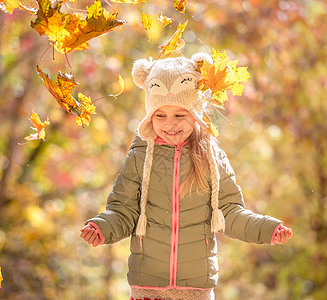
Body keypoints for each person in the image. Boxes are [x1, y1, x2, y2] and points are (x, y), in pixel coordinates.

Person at [80, 54, 293, 300]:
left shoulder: (212, 158)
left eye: (180, 115)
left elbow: (230, 212)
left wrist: (266, 229)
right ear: (150, 116)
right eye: (160, 116)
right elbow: (124, 210)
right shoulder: (140, 156)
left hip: (196, 289)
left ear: (195, 113)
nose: (170, 124)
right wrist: (102, 227)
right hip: (147, 285)